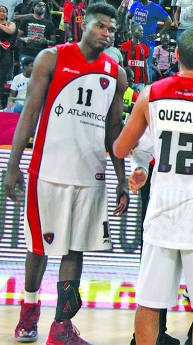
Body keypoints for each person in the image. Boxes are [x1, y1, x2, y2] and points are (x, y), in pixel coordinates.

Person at [5, 3, 130, 344]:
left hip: (91, 175)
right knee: (38, 248)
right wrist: (14, 166)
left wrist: (121, 177)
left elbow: (114, 129)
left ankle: (61, 325)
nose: (108, 34)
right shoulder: (52, 57)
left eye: (112, 30)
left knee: (75, 249)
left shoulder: (115, 72)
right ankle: (28, 311)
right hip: (48, 171)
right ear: (84, 25)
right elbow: (28, 115)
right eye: (102, 27)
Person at [113, 26, 193, 345]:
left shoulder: (151, 93)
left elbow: (119, 148)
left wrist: (141, 165)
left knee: (149, 302)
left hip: (163, 213)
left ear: (177, 56)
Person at [128, 0, 172, 81]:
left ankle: (148, 89)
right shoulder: (136, 4)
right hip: (135, 42)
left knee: (147, 68)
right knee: (133, 66)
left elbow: (168, 20)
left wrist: (157, 35)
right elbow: (128, 16)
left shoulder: (155, 7)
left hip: (148, 43)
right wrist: (129, 30)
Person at [120, 23, 150, 92]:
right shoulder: (125, 45)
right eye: (139, 30)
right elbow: (122, 64)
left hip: (141, 81)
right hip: (129, 80)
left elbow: (146, 65)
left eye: (142, 31)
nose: (141, 32)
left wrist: (148, 79)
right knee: (128, 100)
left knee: (139, 100)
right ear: (133, 31)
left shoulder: (144, 47)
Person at [0, 5, 17, 108]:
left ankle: (1, 102)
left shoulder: (11, 24)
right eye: (0, 11)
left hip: (5, 53)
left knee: (1, 78)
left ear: (7, 14)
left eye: (4, 12)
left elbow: (10, 31)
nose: (2, 13)